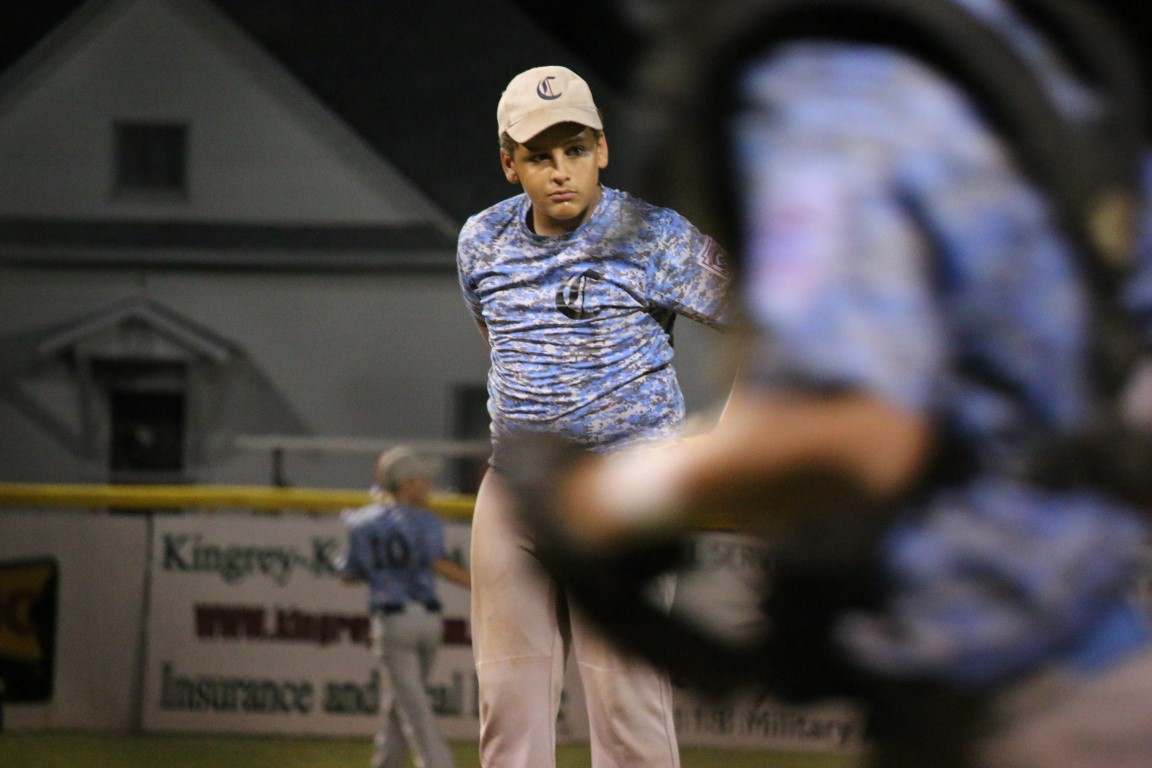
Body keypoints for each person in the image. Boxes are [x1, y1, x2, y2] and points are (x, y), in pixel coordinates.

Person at [506, 2, 1152, 767]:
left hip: (1026, 705)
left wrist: (603, 497)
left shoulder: (830, 91)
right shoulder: (1016, 52)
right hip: (1112, 654)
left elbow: (855, 432)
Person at [456, 65, 732, 768]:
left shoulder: (651, 234)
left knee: (628, 709)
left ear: (602, 150)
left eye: (575, 149)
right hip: (514, 488)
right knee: (507, 710)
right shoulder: (482, 241)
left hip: (620, 492)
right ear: (509, 163)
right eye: (539, 155)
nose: (560, 171)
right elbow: (501, 341)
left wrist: (729, 440)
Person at [338, 447, 471, 768]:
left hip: (394, 621)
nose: (429, 484)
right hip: (428, 619)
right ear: (405, 482)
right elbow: (437, 562)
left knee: (406, 703)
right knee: (412, 706)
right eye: (422, 478)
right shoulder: (426, 520)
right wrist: (480, 586)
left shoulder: (363, 521)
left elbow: (349, 574)